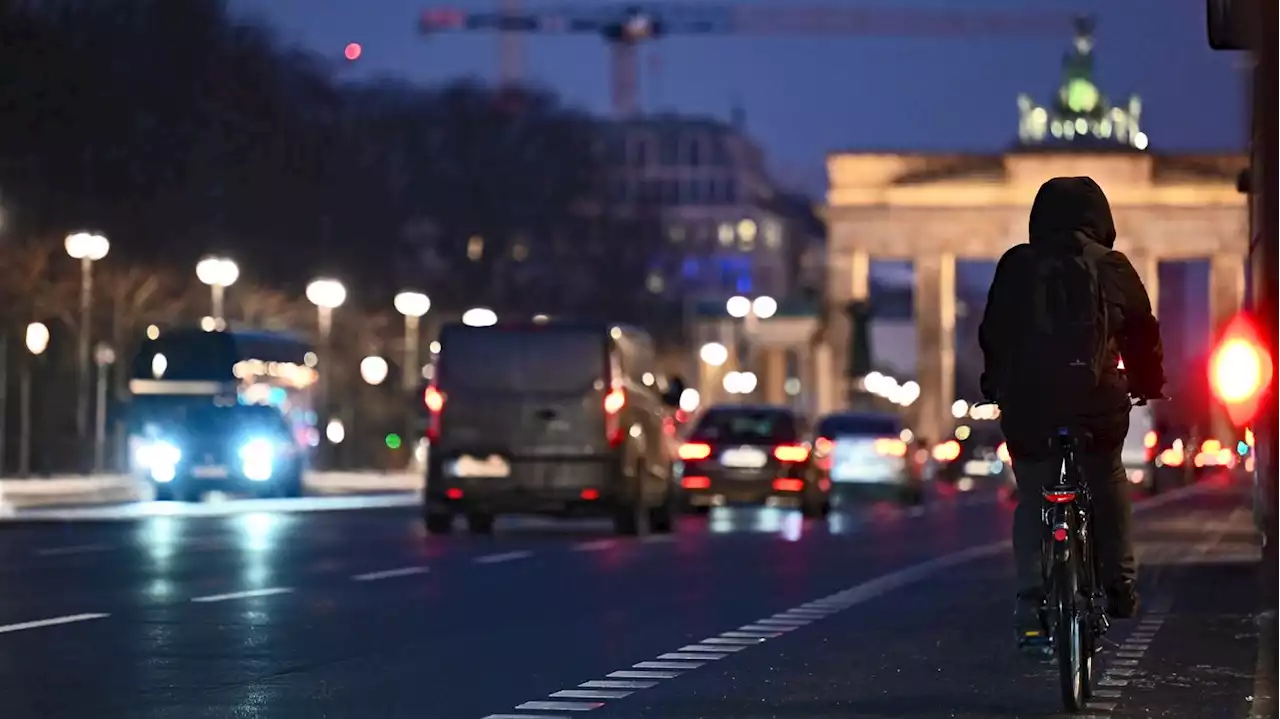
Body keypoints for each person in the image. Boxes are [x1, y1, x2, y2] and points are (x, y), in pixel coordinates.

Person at [978, 176, 1165, 649]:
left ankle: (1030, 600)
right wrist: (1147, 384)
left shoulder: (1017, 265)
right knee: (1105, 478)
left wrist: (994, 384)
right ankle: (1120, 585)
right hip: (1096, 401)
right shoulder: (1113, 266)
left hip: (1029, 404)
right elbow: (1142, 332)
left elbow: (994, 332)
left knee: (1035, 490)